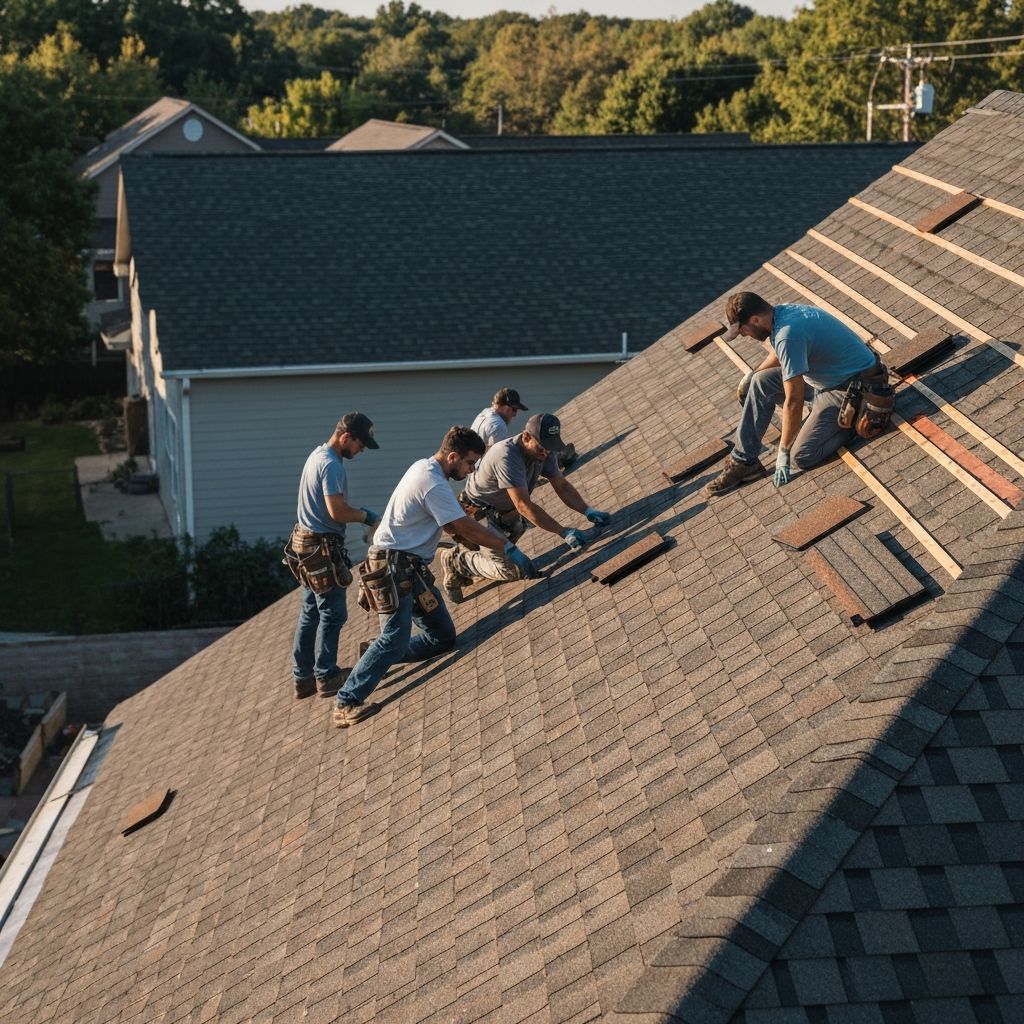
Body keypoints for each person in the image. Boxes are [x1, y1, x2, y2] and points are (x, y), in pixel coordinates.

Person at [333, 426, 540, 727]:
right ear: (453, 456)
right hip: (392, 567)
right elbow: (464, 527)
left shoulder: (427, 469)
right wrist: (507, 547)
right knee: (394, 636)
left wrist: (474, 542)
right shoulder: (432, 482)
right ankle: (346, 701)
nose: (471, 471)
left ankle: (376, 653)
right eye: (469, 464)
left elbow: (455, 526)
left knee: (442, 637)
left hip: (410, 567)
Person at [705, 291, 883, 497]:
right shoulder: (781, 314)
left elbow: (794, 401)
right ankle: (744, 461)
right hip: (829, 379)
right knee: (760, 381)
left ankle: (852, 420)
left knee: (801, 456)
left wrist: (783, 452)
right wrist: (753, 374)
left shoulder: (788, 334)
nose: (744, 335)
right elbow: (780, 353)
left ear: (755, 319)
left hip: (852, 388)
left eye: (743, 330)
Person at [441, 412, 612, 603]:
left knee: (510, 537)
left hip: (505, 511)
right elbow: (523, 504)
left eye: (550, 448)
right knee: (511, 570)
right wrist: (563, 532)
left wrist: (587, 511)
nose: (546, 453)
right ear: (526, 437)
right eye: (541, 447)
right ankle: (457, 561)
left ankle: (480, 553)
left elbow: (561, 485)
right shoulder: (506, 456)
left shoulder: (544, 450)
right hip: (477, 513)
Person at [289, 413, 381, 700]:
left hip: (304, 544)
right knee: (333, 613)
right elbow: (337, 511)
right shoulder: (331, 466)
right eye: (360, 444)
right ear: (346, 438)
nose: (361, 450)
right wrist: (368, 516)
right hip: (321, 549)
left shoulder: (316, 455)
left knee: (310, 612)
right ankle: (326, 676)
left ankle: (302, 678)